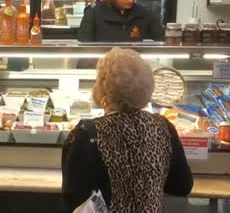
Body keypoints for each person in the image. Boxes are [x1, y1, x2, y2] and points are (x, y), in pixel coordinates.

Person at [62, 48, 193, 212]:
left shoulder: (86, 134)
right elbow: (182, 186)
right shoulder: (164, 127)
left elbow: (73, 200)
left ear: (103, 90)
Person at [78, 0, 164, 42]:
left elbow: (162, 41)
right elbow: (84, 49)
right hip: (104, 64)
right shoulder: (93, 13)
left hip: (133, 64)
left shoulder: (144, 14)